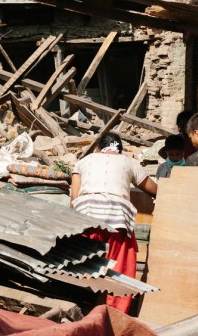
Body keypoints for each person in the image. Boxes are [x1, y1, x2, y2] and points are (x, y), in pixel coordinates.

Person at [70, 132, 158, 313]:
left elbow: (73, 199)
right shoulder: (128, 162)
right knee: (121, 270)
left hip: (86, 217)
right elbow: (154, 189)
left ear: (99, 148)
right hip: (117, 219)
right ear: (120, 149)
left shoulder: (83, 161)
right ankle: (114, 316)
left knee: (83, 266)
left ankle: (83, 308)